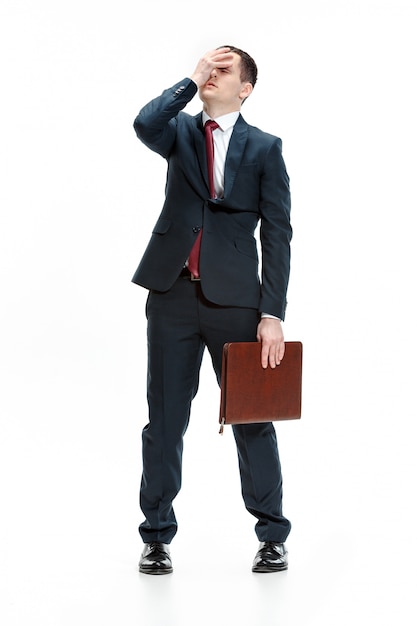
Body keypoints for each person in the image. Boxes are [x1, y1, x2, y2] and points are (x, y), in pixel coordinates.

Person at [132, 46, 293, 575]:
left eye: (224, 72)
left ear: (245, 88)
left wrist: (272, 313)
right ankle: (155, 537)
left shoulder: (266, 149)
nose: (212, 76)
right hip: (173, 296)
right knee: (165, 423)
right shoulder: (178, 131)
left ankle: (273, 536)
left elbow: (277, 233)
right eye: (209, 68)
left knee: (253, 422)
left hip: (238, 304)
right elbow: (143, 122)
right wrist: (190, 77)